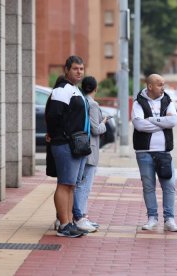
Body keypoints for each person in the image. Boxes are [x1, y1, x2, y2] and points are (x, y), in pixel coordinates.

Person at [45, 55, 88, 238]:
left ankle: (70, 221)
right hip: (65, 144)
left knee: (71, 185)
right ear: (66, 70)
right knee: (64, 184)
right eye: (75, 69)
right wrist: (61, 136)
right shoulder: (62, 90)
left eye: (81, 69)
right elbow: (54, 116)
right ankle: (63, 225)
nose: (79, 72)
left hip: (75, 144)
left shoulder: (74, 90)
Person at [132, 73, 177, 232]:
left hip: (164, 152)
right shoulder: (138, 102)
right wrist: (162, 123)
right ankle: (152, 218)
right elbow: (139, 125)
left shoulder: (167, 100)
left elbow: (173, 121)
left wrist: (152, 120)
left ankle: (170, 219)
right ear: (150, 86)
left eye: (163, 84)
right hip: (144, 151)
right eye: (160, 84)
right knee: (148, 186)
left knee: (169, 185)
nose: (163, 87)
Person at [72, 76, 108, 232]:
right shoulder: (92, 104)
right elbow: (95, 129)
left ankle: (79, 216)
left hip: (80, 146)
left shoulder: (81, 100)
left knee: (79, 184)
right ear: (95, 88)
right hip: (90, 149)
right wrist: (104, 123)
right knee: (84, 186)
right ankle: (81, 216)